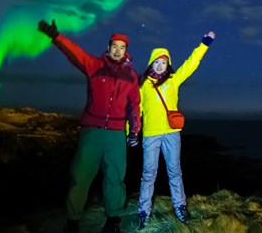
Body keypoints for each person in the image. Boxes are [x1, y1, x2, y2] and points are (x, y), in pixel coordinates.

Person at [38, 19, 141, 233]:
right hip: (92, 133)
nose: (118, 50)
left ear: (126, 52)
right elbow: (74, 53)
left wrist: (135, 130)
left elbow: (134, 105)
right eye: (115, 46)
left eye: (122, 48)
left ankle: (112, 220)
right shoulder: (94, 66)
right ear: (108, 48)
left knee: (115, 179)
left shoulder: (131, 76)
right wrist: (56, 37)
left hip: (116, 135)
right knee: (81, 177)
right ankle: (72, 221)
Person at [136, 30, 216, 229]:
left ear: (167, 64)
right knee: (148, 173)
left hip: (171, 134)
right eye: (157, 61)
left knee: (174, 171)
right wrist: (131, 130)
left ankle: (180, 206)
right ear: (151, 63)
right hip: (151, 134)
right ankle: (143, 210)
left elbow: (191, 64)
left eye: (164, 62)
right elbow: (136, 110)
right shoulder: (143, 86)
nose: (160, 65)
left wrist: (204, 44)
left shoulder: (173, 80)